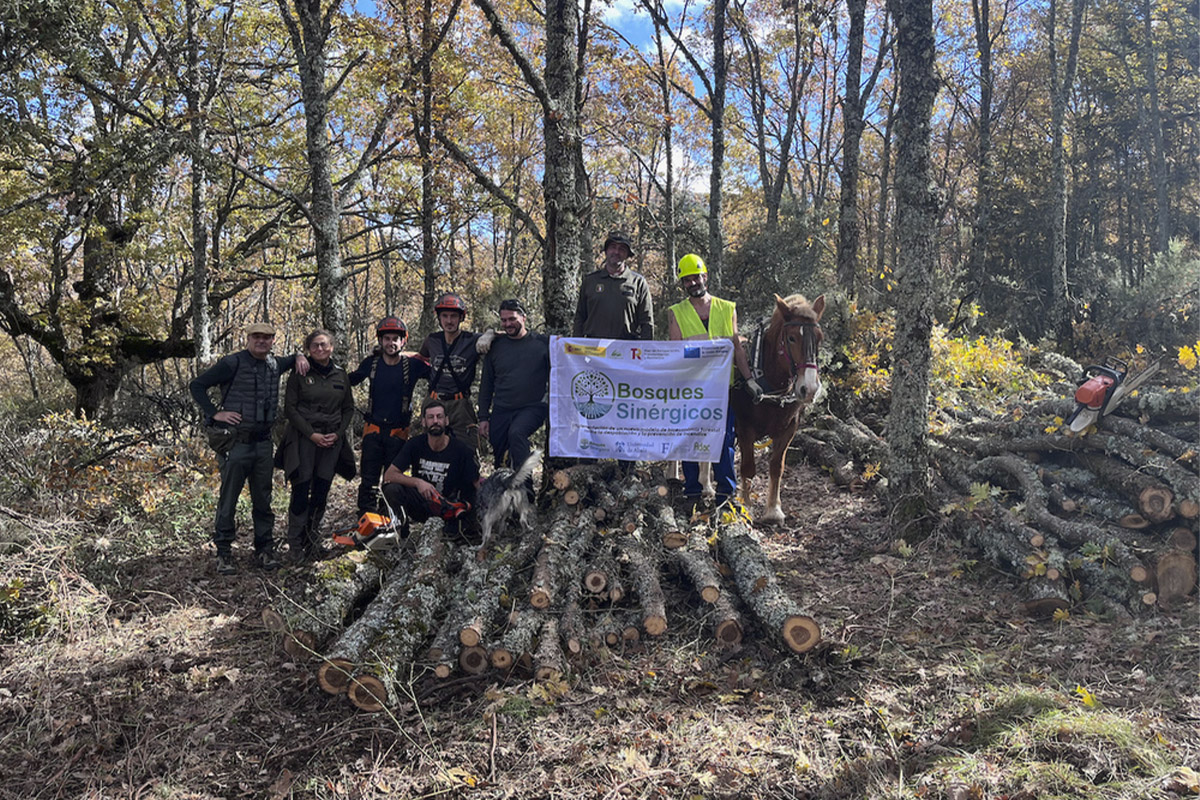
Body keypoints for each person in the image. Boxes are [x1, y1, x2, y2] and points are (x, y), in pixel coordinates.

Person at [190, 322, 308, 575]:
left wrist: (299, 355)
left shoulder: (275, 364)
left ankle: (264, 551)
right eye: (257, 337)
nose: (261, 341)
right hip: (236, 443)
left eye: (267, 338)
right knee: (229, 500)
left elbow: (297, 357)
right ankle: (224, 553)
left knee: (263, 500)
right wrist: (215, 414)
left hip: (264, 444)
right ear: (248, 339)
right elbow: (197, 386)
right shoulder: (232, 363)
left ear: (273, 341)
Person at [667, 254, 762, 503]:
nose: (692, 283)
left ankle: (725, 492)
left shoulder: (726, 308)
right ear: (682, 284)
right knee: (690, 438)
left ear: (705, 277)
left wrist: (749, 379)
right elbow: (675, 352)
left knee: (724, 438)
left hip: (721, 388)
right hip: (691, 389)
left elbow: (737, 348)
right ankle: (692, 491)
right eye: (686, 280)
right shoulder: (676, 312)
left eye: (695, 277)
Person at [276, 329, 355, 562]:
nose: (319, 349)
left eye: (323, 345)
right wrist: (311, 435)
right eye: (314, 346)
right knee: (301, 490)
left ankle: (313, 542)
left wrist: (338, 434)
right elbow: (290, 408)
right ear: (308, 349)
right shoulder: (300, 373)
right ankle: (295, 545)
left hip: (331, 441)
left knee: (321, 490)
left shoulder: (341, 375)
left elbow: (348, 408)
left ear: (331, 347)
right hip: (303, 439)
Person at [349, 316, 430, 515]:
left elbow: (439, 375)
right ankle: (366, 521)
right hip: (372, 432)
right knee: (368, 480)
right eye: (387, 338)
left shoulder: (412, 365)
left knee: (392, 480)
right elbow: (348, 380)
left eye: (396, 339)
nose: (391, 343)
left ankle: (388, 520)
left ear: (403, 341)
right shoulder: (371, 364)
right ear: (380, 341)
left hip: (398, 433)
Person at [478, 299, 550, 493]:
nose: (508, 324)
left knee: (517, 433)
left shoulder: (542, 344)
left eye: (512, 319)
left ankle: (526, 493)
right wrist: (483, 417)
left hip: (533, 406)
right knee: (499, 451)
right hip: (502, 408)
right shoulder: (495, 346)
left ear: (524, 318)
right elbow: (486, 384)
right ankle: (503, 496)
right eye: (504, 320)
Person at [381, 400, 480, 528]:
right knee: (392, 489)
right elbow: (389, 475)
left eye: (439, 417)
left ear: (447, 421)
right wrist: (418, 482)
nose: (435, 421)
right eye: (430, 417)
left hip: (450, 508)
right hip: (422, 504)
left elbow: (475, 485)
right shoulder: (415, 444)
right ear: (423, 422)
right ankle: (400, 532)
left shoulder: (461, 450)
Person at [418, 292, 482, 451]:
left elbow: (503, 338)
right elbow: (420, 357)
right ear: (438, 318)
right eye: (444, 316)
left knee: (467, 450)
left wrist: (489, 335)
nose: (449, 321)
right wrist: (389, 353)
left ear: (461, 317)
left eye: (453, 316)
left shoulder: (471, 340)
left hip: (460, 404)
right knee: (430, 450)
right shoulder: (432, 340)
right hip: (434, 401)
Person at [573, 231, 654, 340]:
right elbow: (580, 318)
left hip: (627, 349)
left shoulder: (638, 283)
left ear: (627, 254)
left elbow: (647, 322)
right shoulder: (590, 281)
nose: (616, 252)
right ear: (606, 251)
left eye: (622, 249)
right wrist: (576, 347)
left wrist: (645, 350)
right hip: (593, 349)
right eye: (613, 247)